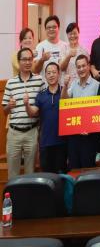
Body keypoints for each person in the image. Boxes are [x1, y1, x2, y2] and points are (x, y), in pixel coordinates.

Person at [2, 48, 45, 178]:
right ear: (18, 61)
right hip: (14, 133)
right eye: (24, 59)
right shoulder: (11, 83)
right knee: (12, 175)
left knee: (30, 173)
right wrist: (9, 106)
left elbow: (43, 107)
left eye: (30, 59)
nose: (27, 62)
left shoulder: (39, 81)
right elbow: (4, 111)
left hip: (32, 132)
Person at [26, 62, 67, 173]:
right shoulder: (41, 95)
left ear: (59, 74)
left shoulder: (65, 91)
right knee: (47, 177)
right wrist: (26, 105)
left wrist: (66, 86)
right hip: (45, 143)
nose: (51, 75)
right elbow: (33, 112)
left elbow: (68, 103)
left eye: (54, 72)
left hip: (62, 143)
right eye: (48, 73)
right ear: (45, 76)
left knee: (62, 176)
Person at [62, 54, 100, 169]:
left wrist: (90, 128)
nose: (81, 69)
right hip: (74, 134)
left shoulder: (97, 85)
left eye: (83, 66)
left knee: (88, 169)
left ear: (88, 66)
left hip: (90, 136)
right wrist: (65, 86)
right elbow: (64, 102)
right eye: (78, 67)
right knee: (74, 168)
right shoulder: (73, 84)